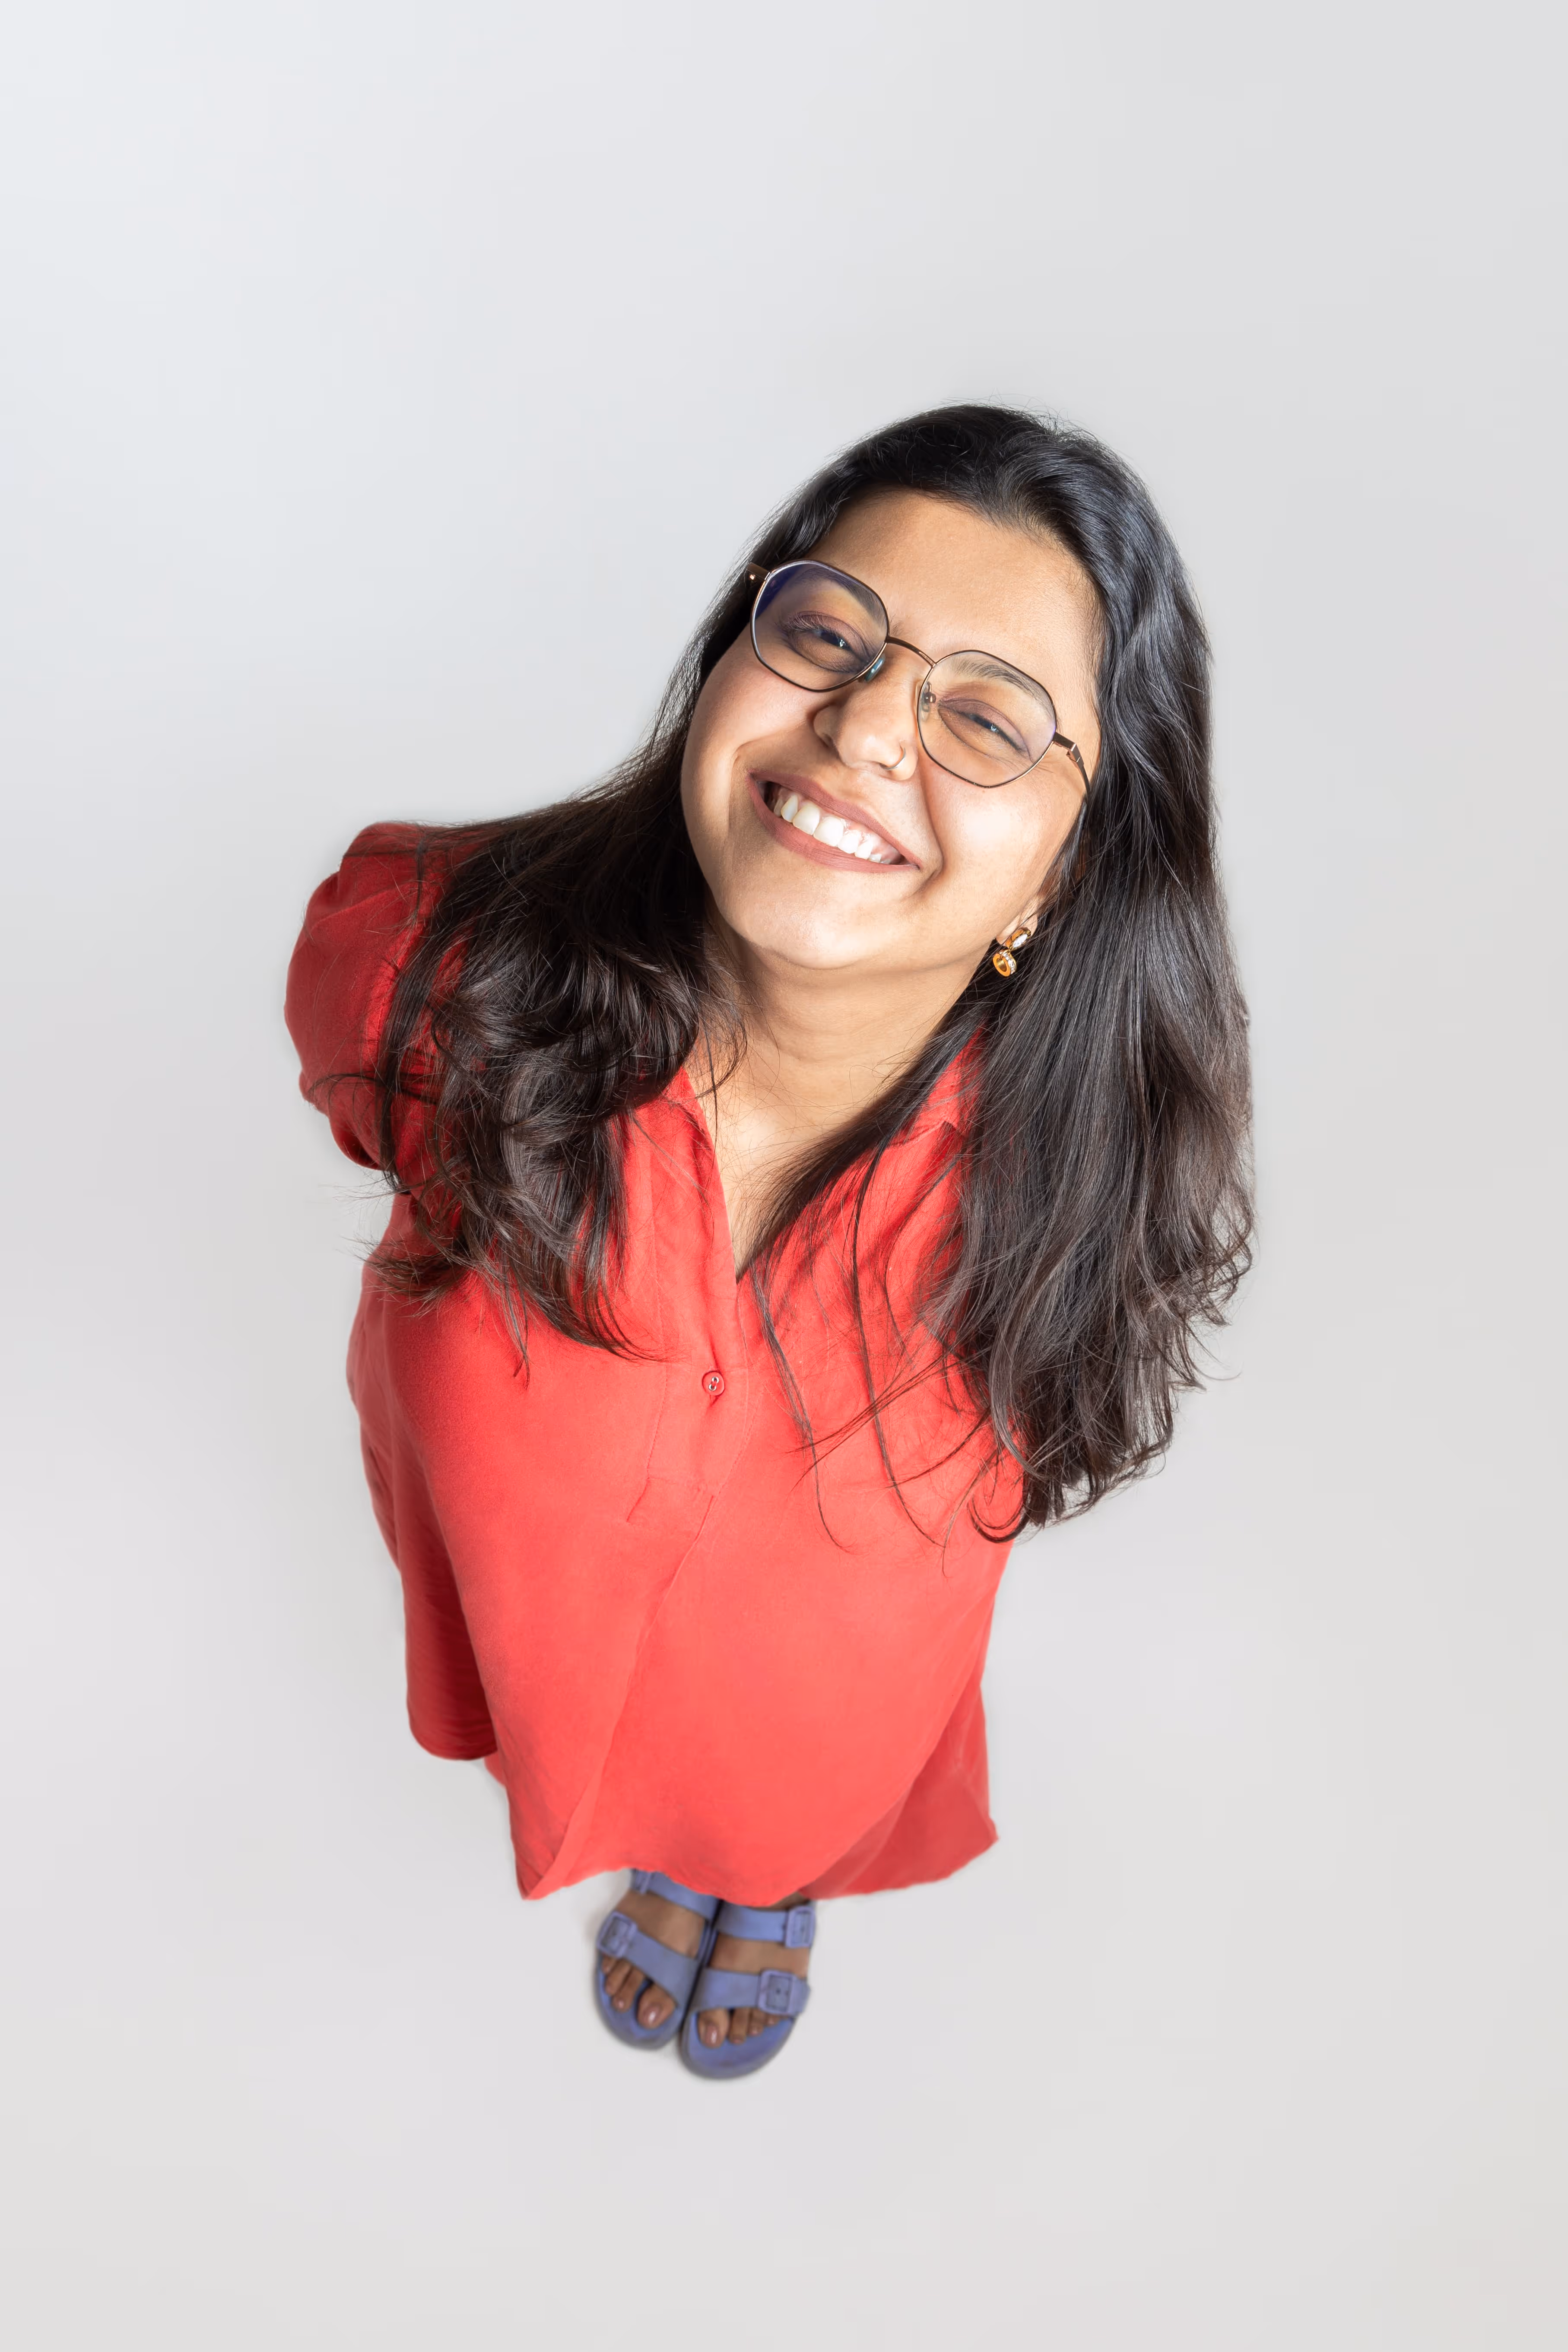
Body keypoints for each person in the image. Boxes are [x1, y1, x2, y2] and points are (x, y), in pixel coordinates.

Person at [286, 403, 1252, 2078]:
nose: (871, 723)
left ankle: (759, 1867)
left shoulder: (1093, 1171)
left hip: (831, 1676)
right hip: (522, 1582)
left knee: (783, 1768)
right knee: (577, 1677)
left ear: (1064, 873)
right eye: (827, 633)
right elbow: (365, 1104)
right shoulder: (417, 959)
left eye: (988, 716)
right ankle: (673, 1833)